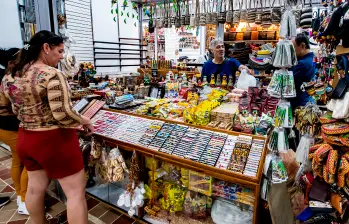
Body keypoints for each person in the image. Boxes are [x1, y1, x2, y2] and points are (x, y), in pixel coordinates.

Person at [1, 31, 94, 224]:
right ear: (46, 48)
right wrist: (84, 120)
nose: (62, 56)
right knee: (75, 194)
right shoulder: (51, 74)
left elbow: (5, 108)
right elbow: (63, 115)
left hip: (26, 138)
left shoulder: (11, 75)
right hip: (53, 141)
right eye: (59, 51)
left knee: (35, 188)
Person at [0, 48, 29, 215]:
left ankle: (20, 195)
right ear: (12, 63)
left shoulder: (5, 77)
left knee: (18, 162)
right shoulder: (12, 80)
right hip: (12, 127)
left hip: (4, 127)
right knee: (28, 164)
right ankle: (25, 201)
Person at [290, 33, 316, 110]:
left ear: (302, 46)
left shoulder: (302, 64)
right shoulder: (311, 59)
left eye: (293, 48)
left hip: (300, 104)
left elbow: (289, 81)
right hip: (306, 100)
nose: (292, 51)